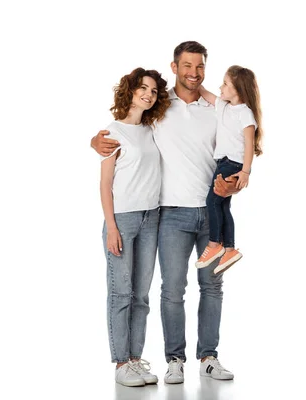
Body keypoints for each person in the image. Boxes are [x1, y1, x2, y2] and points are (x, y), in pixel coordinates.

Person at [91, 41, 239, 384]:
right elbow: (122, 132)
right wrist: (95, 141)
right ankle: (174, 359)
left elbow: (245, 133)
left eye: (200, 66)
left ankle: (209, 357)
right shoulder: (160, 106)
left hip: (213, 211)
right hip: (170, 214)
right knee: (171, 290)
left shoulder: (217, 108)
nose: (193, 73)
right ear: (174, 67)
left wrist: (236, 181)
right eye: (187, 66)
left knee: (211, 287)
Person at [99, 67, 170, 387]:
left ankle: (135, 360)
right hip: (124, 220)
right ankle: (120, 362)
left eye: (154, 91)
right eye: (143, 88)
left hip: (151, 217)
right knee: (121, 293)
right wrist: (112, 227)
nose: (148, 94)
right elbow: (105, 184)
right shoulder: (111, 133)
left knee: (141, 295)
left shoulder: (154, 129)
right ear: (130, 90)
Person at [194, 66, 264, 275]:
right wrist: (196, 81)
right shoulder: (223, 106)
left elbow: (249, 144)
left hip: (232, 163)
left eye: (225, 84)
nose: (221, 87)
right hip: (222, 162)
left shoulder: (245, 113)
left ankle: (215, 244)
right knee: (222, 206)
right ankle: (230, 249)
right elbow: (205, 93)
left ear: (239, 89)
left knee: (212, 201)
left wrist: (245, 171)